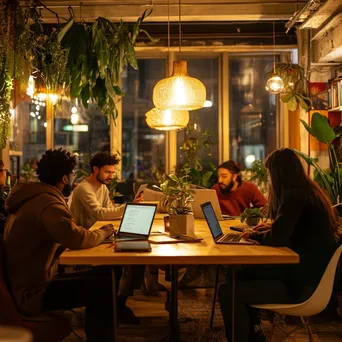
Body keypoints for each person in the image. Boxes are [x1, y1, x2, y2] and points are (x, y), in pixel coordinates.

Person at [218, 148, 341, 342]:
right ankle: (253, 334)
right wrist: (270, 227)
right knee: (237, 272)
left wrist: (253, 235)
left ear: (278, 173)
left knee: (227, 291)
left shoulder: (293, 196)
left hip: (301, 285)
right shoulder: (307, 190)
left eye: (269, 174)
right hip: (309, 274)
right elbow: (292, 229)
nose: (268, 179)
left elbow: (278, 238)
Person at [3, 149, 117, 342]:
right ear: (65, 179)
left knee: (105, 274)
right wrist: (104, 232)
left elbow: (69, 234)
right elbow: (77, 238)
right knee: (100, 287)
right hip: (31, 294)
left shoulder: (37, 198)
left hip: (28, 284)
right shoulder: (48, 205)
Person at [70, 151, 144, 324]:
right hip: (87, 240)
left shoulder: (102, 187)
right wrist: (128, 207)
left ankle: (119, 303)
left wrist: (129, 214)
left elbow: (110, 210)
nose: (111, 176)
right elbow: (100, 213)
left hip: (102, 235)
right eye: (107, 172)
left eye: (112, 172)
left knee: (139, 255)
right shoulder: (84, 189)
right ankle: (116, 306)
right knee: (124, 262)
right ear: (95, 170)